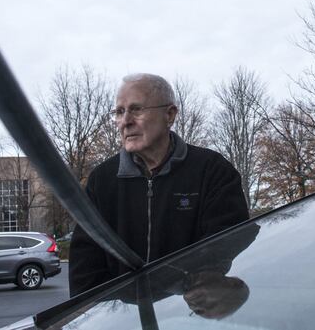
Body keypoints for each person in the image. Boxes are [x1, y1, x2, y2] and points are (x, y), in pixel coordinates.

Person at [69, 73, 249, 297]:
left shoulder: (213, 171)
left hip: (189, 317)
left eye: (136, 109)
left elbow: (227, 249)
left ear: (170, 114)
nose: (125, 121)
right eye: (119, 112)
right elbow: (85, 270)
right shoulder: (101, 180)